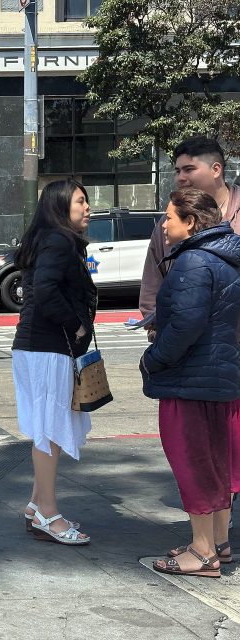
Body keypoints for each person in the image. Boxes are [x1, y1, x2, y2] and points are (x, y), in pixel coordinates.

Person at [143, 189, 240, 578]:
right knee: (217, 461)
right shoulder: (227, 258)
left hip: (190, 380)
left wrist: (152, 359)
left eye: (169, 217)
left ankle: (202, 553)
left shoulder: (194, 261)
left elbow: (185, 325)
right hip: (220, 378)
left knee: (193, 462)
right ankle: (218, 542)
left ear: (192, 221)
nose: (164, 225)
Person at [11, 178, 95, 546]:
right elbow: (45, 290)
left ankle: (35, 506)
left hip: (37, 346)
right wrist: (75, 324)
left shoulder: (48, 239)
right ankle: (47, 512)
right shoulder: (59, 241)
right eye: (80, 202)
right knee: (48, 432)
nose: (87, 207)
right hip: (47, 346)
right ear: (61, 207)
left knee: (48, 429)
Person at [141, 136, 240, 320]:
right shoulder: (168, 222)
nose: (181, 178)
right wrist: (157, 327)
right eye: (177, 171)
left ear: (216, 169)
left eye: (189, 169)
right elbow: (152, 284)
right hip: (184, 342)